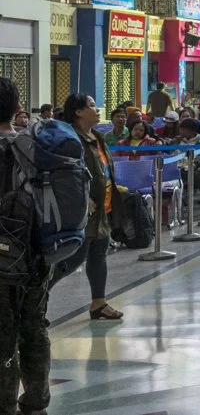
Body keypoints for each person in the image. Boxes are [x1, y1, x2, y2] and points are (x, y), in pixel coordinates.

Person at [0, 78, 50, 413]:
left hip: (3, 258)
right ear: (18, 110)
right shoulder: (33, 148)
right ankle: (35, 399)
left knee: (3, 332)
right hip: (37, 253)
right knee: (33, 325)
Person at [61, 94, 122, 321]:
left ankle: (99, 303)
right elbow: (64, 174)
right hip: (83, 209)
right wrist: (82, 198)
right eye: (92, 106)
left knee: (99, 254)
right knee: (75, 257)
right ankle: (38, 294)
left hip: (102, 206)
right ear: (78, 112)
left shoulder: (96, 136)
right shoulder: (70, 138)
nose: (98, 109)